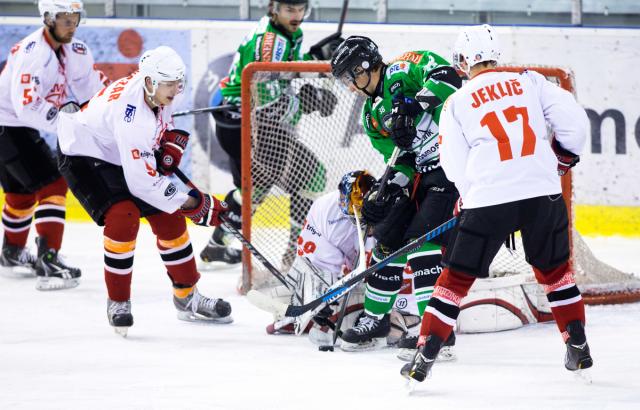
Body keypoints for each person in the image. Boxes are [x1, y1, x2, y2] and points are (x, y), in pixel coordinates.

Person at [401, 24, 592, 382]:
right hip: (542, 193)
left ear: (462, 61)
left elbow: (454, 165)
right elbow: (575, 124)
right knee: (555, 273)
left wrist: (468, 198)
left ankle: (424, 355)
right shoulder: (530, 81)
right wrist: (561, 160)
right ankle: (577, 343)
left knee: (454, 280)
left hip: (488, 200)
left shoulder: (456, 100)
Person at [56, 46, 232, 336]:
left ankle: (187, 297)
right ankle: (118, 302)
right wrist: (194, 203)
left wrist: (169, 141)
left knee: (170, 220)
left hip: (116, 149)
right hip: (83, 155)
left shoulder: (162, 89)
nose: (176, 89)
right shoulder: (133, 117)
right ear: (149, 82)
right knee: (123, 217)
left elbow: (160, 125)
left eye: (179, 82)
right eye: (169, 83)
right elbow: (143, 184)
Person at [330, 36, 461, 350]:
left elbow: (450, 78)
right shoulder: (371, 115)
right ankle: (376, 320)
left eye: (351, 76)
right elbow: (401, 161)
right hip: (422, 176)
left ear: (365, 66)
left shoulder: (405, 68)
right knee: (386, 238)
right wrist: (386, 193)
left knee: (421, 242)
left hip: (453, 166)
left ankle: (435, 331)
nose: (349, 86)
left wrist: (414, 103)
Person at [201, 0, 343, 267]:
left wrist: (312, 60)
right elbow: (267, 101)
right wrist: (307, 102)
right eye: (290, 10)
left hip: (243, 123)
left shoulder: (286, 33)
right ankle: (296, 255)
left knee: (253, 189)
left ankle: (217, 244)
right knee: (311, 176)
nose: (297, 15)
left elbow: (281, 71)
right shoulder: (271, 41)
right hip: (250, 125)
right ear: (273, 8)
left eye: (302, 9)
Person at [0, 0, 108, 289]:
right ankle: (48, 261)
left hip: (12, 126)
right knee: (53, 185)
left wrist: (109, 110)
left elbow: (90, 88)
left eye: (75, 18)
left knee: (22, 193)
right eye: (64, 19)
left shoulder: (76, 50)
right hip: (8, 126)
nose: (71, 25)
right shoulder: (32, 54)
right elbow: (27, 107)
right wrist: (67, 122)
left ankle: (11, 252)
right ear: (47, 18)